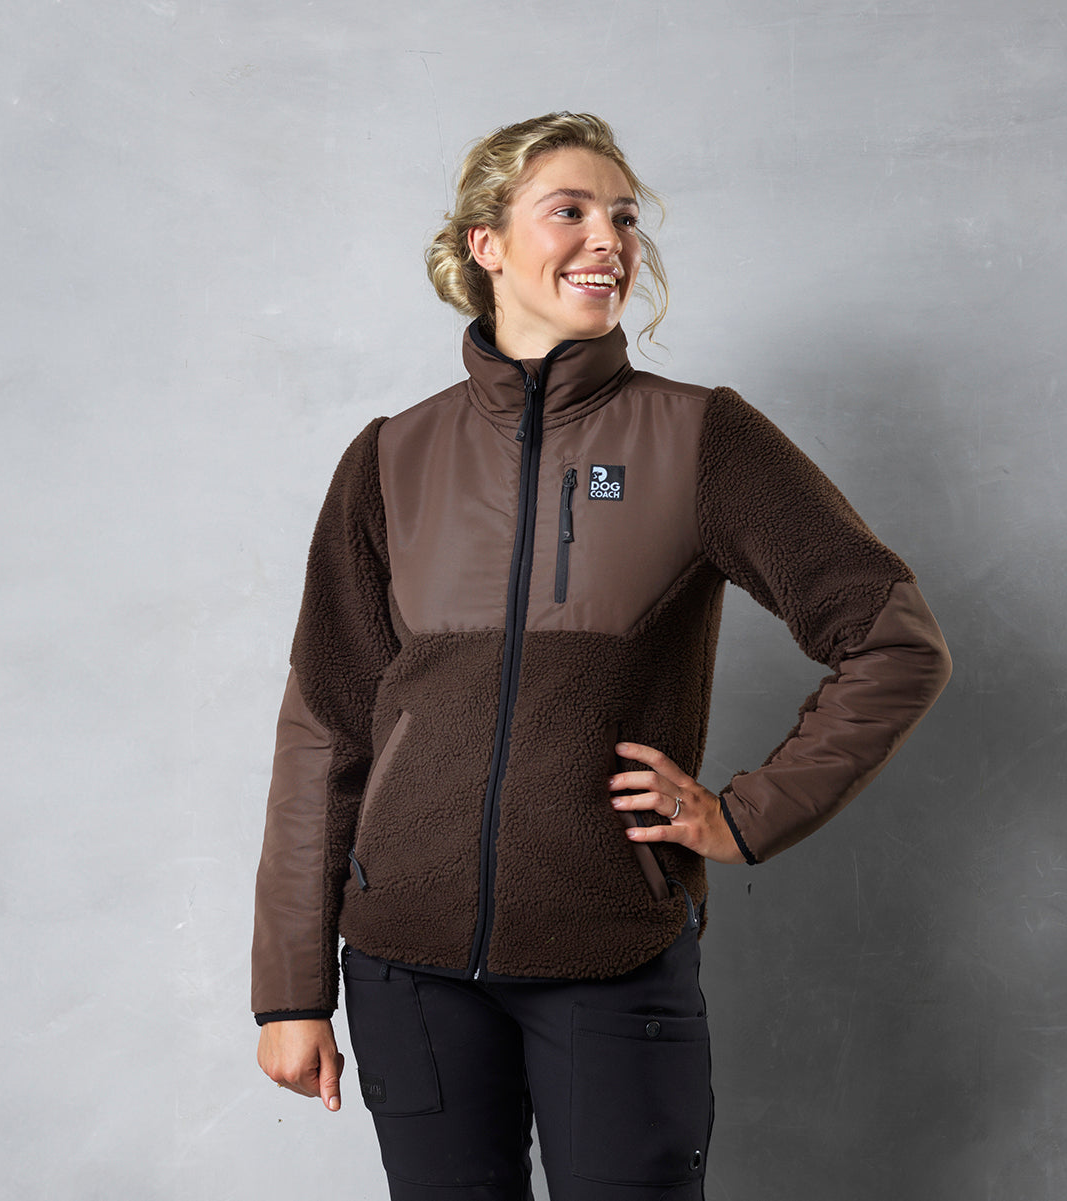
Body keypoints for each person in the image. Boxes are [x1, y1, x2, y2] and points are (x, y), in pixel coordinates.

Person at [252, 112, 952, 1200]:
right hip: (404, 963)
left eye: (623, 218)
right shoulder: (392, 456)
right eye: (570, 211)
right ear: (486, 243)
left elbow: (894, 639)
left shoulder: (700, 437)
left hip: (610, 954)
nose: (609, 241)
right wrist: (291, 990)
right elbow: (326, 728)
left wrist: (746, 814)